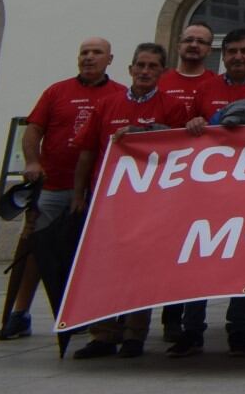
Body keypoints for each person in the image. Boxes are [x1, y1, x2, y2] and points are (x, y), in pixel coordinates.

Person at [175, 29, 245, 357]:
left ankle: (237, 329)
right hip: (210, 189)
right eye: (231, 52)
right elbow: (187, 132)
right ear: (222, 55)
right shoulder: (206, 87)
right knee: (198, 257)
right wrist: (201, 122)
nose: (238, 57)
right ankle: (192, 329)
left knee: (243, 259)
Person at [1, 36, 122, 347]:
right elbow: (34, 129)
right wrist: (32, 161)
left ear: (110, 59)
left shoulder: (119, 95)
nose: (89, 58)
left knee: (87, 255)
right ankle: (19, 312)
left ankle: (82, 313)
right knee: (36, 250)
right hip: (53, 186)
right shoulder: (57, 91)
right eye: (84, 53)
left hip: (96, 189)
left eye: (96, 53)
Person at [68, 43, 182, 359]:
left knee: (139, 268)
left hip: (149, 200)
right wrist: (79, 194)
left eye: (153, 67)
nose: (145, 72)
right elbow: (88, 151)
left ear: (163, 72)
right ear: (130, 69)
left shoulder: (171, 106)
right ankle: (103, 333)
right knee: (103, 267)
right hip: (107, 198)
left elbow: (179, 149)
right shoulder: (107, 105)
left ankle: (135, 334)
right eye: (141, 66)